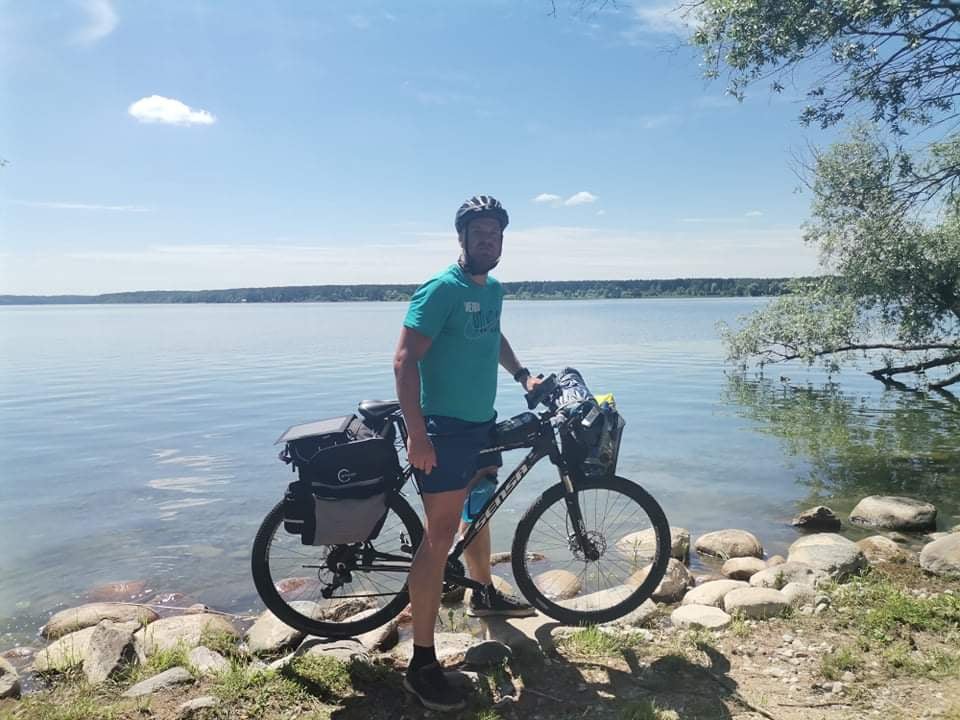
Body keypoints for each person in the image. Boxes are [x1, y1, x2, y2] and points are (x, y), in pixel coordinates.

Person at [393, 195, 540, 711]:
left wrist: (523, 375)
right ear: (462, 238)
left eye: (495, 234)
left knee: (479, 511)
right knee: (438, 538)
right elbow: (404, 361)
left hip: (481, 424)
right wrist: (417, 434)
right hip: (444, 430)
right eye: (479, 233)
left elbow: (492, 335)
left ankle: (484, 592)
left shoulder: (492, 289)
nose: (488, 242)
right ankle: (421, 664)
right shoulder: (441, 289)